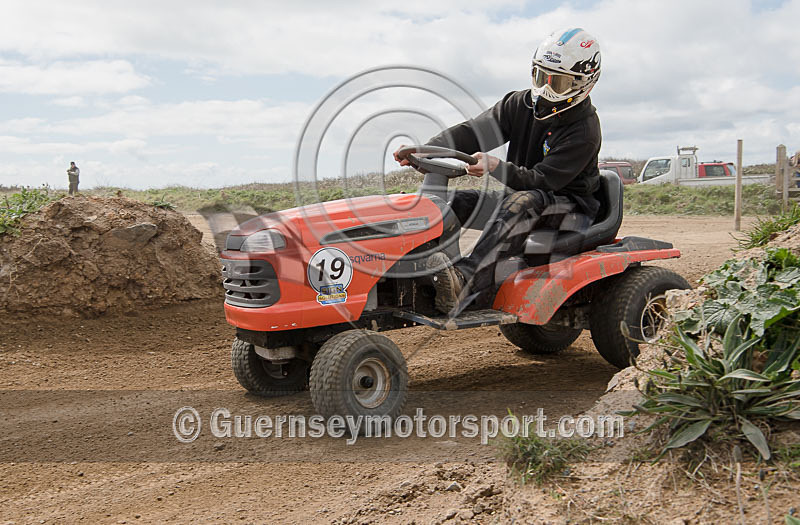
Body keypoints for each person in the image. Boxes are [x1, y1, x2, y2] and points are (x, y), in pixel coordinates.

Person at [395, 27, 603, 314]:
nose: (545, 89)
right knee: (446, 204)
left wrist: (495, 167)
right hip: (525, 197)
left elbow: (542, 181)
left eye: (558, 83)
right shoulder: (520, 104)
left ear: (584, 84)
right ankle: (415, 268)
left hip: (570, 209)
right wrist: (428, 149)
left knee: (524, 201)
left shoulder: (584, 130)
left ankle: (464, 280)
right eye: (541, 76)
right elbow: (474, 132)